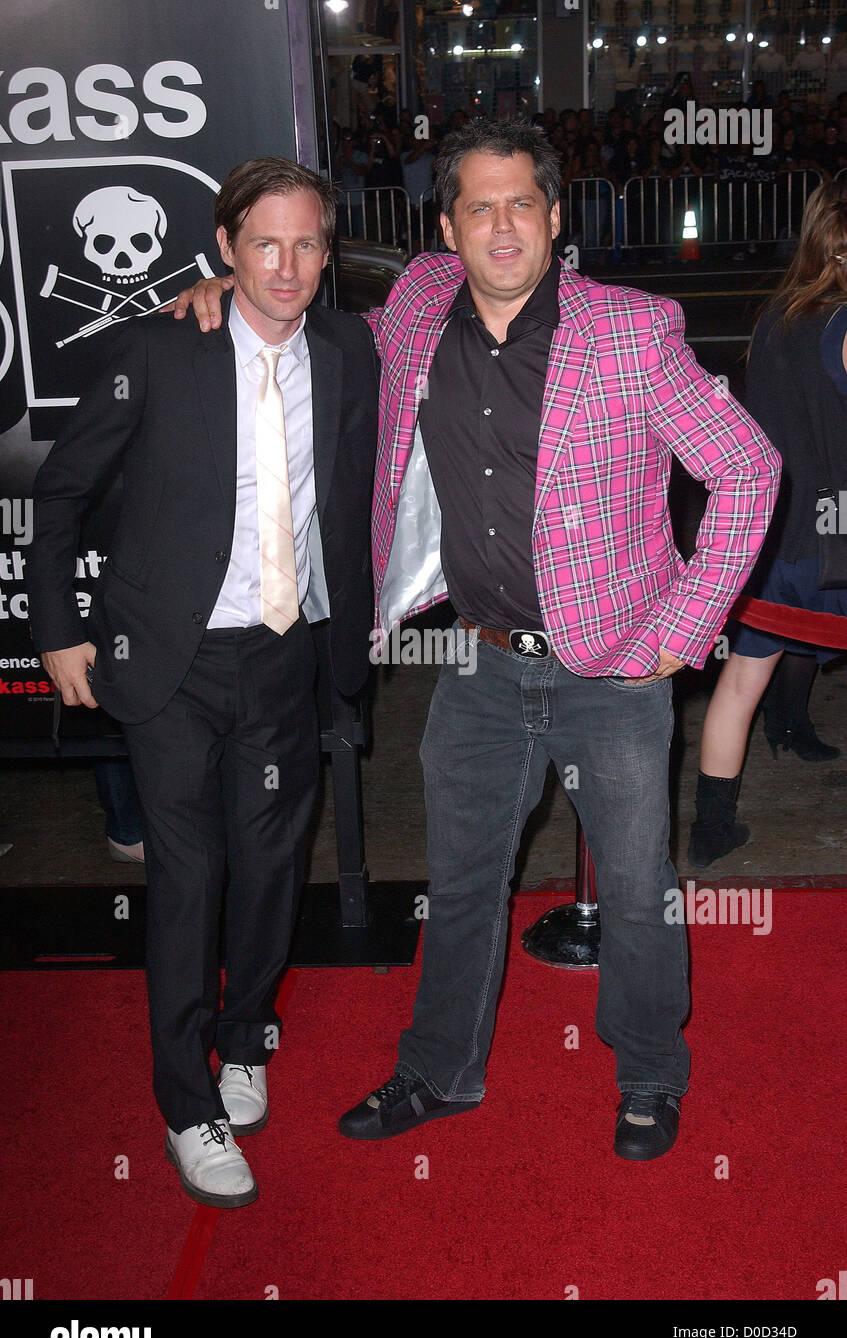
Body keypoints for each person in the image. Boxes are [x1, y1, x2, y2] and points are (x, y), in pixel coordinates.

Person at [176, 119, 781, 1162]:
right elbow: (301, 313)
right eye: (478, 207)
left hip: (613, 669)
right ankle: (439, 1069)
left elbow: (748, 468)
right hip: (479, 661)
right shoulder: (415, 309)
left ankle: (648, 1073)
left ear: (553, 216)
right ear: (447, 228)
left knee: (636, 887)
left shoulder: (631, 331)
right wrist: (219, 295)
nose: (501, 226)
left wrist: (681, 631)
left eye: (521, 204)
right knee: (459, 882)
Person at [26, 157, 378, 1207]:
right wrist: (57, 629)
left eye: (308, 243)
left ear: (329, 251)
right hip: (168, 661)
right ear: (223, 248)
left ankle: (241, 1037)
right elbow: (59, 493)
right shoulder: (154, 347)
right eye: (263, 243)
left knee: (271, 869)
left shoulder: (351, 349)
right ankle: (186, 1102)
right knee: (189, 878)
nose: (286, 265)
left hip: (285, 652)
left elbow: (474, 281)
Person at [689, 180, 847, 868]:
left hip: (769, 528)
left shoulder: (776, 312)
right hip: (831, 532)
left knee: (741, 681)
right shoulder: (840, 320)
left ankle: (710, 828)